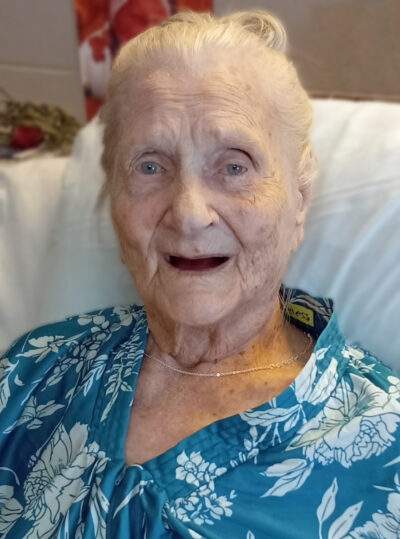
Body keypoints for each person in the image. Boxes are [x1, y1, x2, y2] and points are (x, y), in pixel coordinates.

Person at [0, 10, 400, 539]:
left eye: (234, 167)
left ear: (299, 201)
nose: (189, 213)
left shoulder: (385, 451)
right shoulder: (32, 373)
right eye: (150, 166)